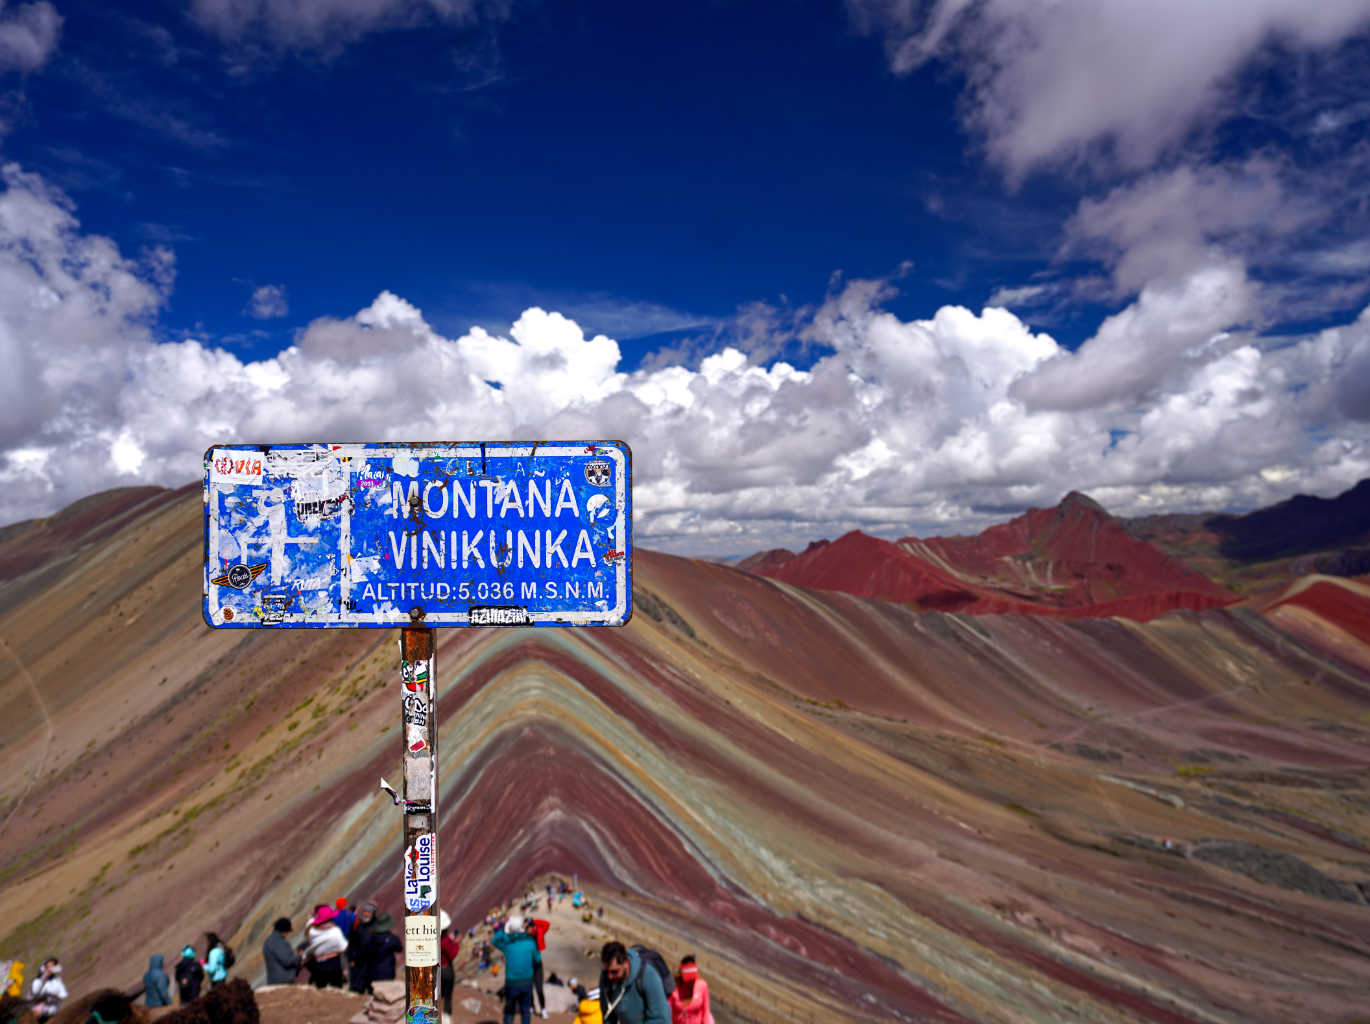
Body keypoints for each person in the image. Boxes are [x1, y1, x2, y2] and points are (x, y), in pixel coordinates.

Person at [598, 942, 668, 1024]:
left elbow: (659, 1019)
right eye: (606, 971)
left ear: (626, 963)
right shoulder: (606, 979)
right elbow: (607, 1016)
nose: (610, 976)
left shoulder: (648, 976)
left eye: (614, 971)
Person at [491, 915, 540, 1024]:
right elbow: (537, 959)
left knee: (509, 1010)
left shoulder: (507, 944)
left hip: (511, 982)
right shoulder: (530, 942)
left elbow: (494, 941)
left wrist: (503, 930)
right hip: (526, 981)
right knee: (525, 1010)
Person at [302, 905, 348, 989]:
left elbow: (309, 922)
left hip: (318, 964)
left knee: (321, 990)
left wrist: (311, 915)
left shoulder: (311, 932)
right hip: (333, 963)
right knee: (336, 990)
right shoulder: (335, 932)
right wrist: (334, 952)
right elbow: (344, 948)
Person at [361, 913, 403, 990]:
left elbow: (364, 950)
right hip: (388, 972)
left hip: (372, 972)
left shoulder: (370, 938)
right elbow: (399, 949)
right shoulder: (392, 939)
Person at [666, 957, 713, 1024]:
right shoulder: (674, 989)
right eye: (688, 979)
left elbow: (705, 1012)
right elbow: (666, 1013)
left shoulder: (702, 986)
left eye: (693, 979)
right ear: (682, 975)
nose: (691, 983)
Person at [524, 917, 551, 1019]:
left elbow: (547, 924)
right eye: (527, 928)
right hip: (527, 965)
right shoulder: (524, 936)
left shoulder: (539, 931)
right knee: (529, 988)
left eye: (529, 927)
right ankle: (531, 1007)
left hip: (538, 965)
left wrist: (534, 921)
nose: (528, 930)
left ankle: (543, 1009)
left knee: (539, 989)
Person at [347, 902, 377, 993]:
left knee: (371, 983)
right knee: (357, 983)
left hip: (372, 959)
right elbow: (351, 942)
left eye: (369, 912)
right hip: (358, 958)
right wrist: (351, 958)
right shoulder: (357, 924)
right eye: (365, 912)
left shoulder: (377, 926)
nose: (366, 914)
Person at [264, 918, 302, 985]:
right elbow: (287, 961)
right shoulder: (278, 941)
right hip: (284, 981)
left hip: (274, 980)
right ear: (284, 931)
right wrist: (299, 955)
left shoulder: (269, 941)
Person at [28, 958, 66, 1023]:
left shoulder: (56, 982)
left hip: (47, 1010)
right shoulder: (37, 982)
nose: (50, 969)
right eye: (48, 967)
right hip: (36, 1010)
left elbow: (61, 995)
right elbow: (31, 996)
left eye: (52, 966)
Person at [439, 911, 460, 1016]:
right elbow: (452, 954)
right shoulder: (445, 941)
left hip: (437, 970)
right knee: (447, 997)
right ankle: (446, 1016)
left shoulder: (435, 939)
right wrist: (455, 942)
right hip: (446, 970)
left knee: (439, 995)